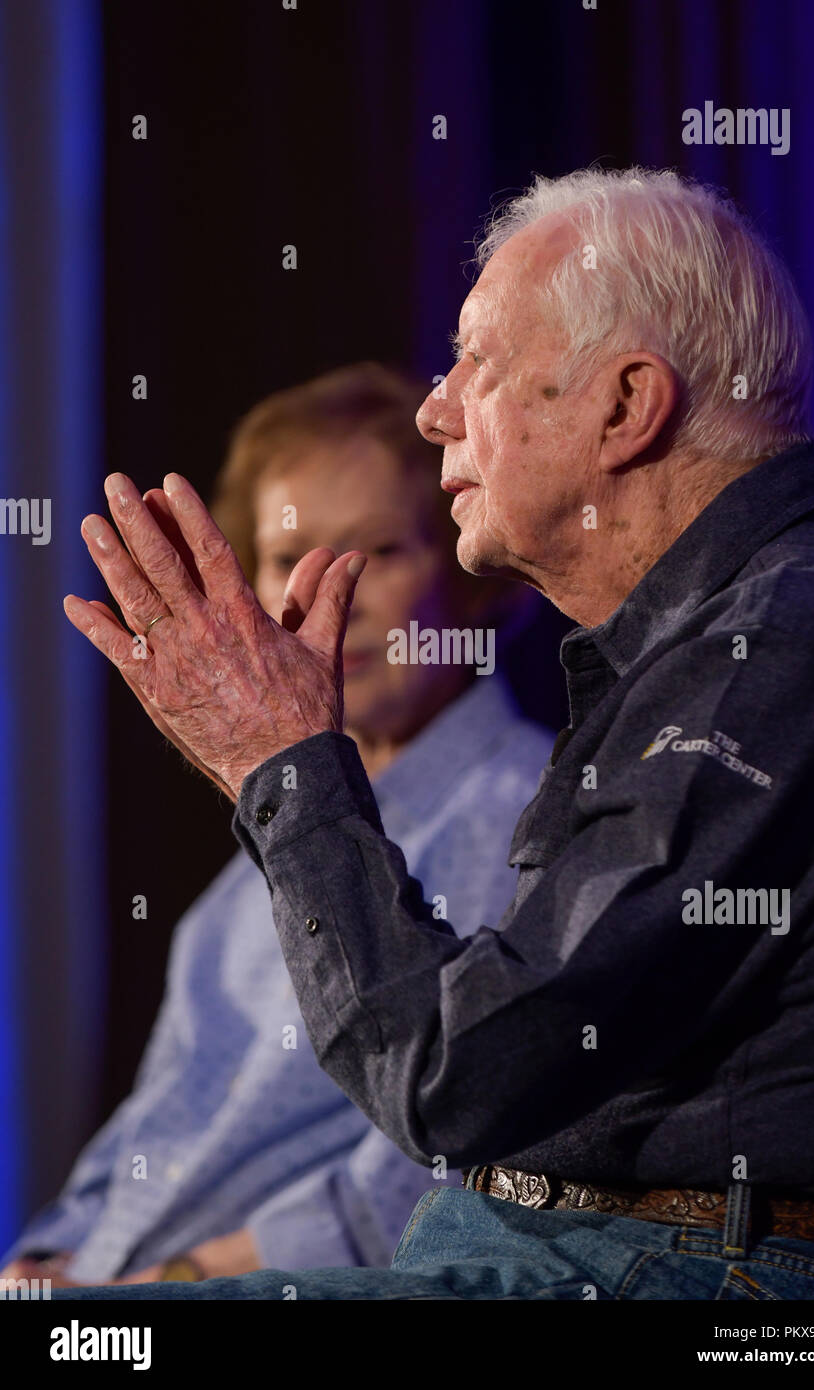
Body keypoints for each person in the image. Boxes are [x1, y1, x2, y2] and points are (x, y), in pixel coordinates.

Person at [57, 167, 814, 1301]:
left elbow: (460, 1077)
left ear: (626, 405)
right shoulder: (710, 641)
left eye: (478, 363)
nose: (435, 407)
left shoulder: (781, 636)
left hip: (684, 1279)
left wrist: (277, 763)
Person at [2, 364, 553, 1288]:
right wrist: (37, 1262)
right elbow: (147, 1137)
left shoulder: (524, 811)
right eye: (283, 559)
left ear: (466, 575)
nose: (329, 598)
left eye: (375, 551)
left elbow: (440, 1175)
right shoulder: (236, 886)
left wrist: (155, 1290)